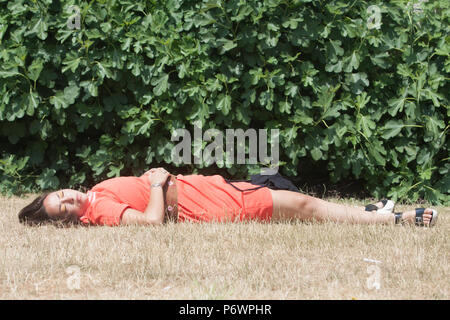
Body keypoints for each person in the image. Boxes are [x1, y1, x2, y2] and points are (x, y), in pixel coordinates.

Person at [18, 167, 438, 227]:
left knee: (274, 182)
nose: (71, 199)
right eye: (66, 208)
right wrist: (154, 184)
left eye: (62, 195)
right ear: (71, 221)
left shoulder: (93, 192)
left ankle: (368, 211)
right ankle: (391, 219)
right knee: (301, 206)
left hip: (199, 189)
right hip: (200, 204)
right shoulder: (101, 212)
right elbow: (150, 223)